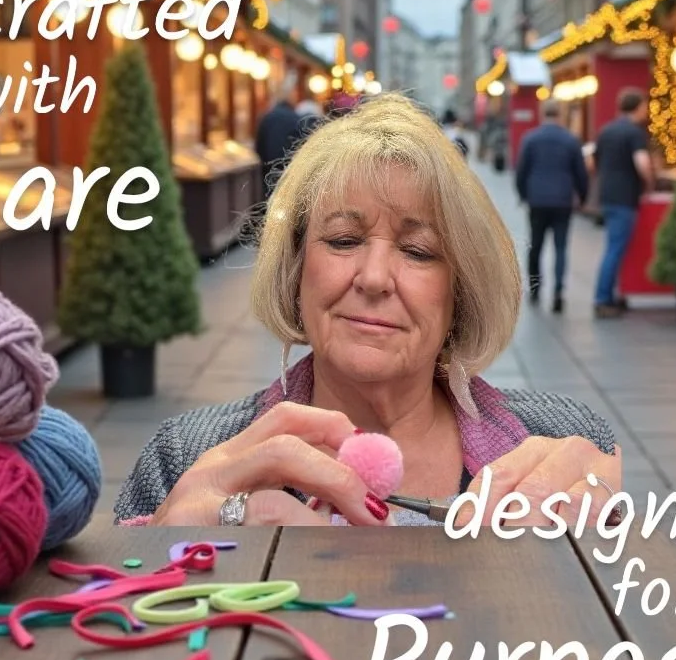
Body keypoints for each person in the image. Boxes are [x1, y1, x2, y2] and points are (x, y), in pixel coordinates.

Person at [114, 93, 622, 528]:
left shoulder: (560, 440)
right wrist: (161, 548)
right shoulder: (184, 456)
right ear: (296, 270)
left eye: (418, 251)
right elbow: (106, 615)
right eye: (342, 240)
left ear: (460, 292)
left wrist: (616, 542)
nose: (375, 278)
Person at [515, 99, 588, 313]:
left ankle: (536, 289)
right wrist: (582, 197)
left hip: (537, 200)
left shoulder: (530, 139)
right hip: (562, 201)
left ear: (542, 113)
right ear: (560, 114)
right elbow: (580, 173)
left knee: (535, 246)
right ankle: (558, 291)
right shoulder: (571, 140)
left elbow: (521, 172)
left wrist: (523, 194)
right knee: (561, 247)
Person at [591, 88, 655, 319]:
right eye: (644, 106)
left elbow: (593, 160)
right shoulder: (634, 133)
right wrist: (649, 183)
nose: (646, 111)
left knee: (614, 246)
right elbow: (642, 163)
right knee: (616, 249)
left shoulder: (606, 130)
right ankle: (602, 298)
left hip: (608, 196)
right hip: (625, 197)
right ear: (637, 107)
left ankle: (611, 294)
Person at [255, 81, 312, 199]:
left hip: (268, 177)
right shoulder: (296, 119)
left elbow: (259, 148)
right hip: (289, 176)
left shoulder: (266, 118)